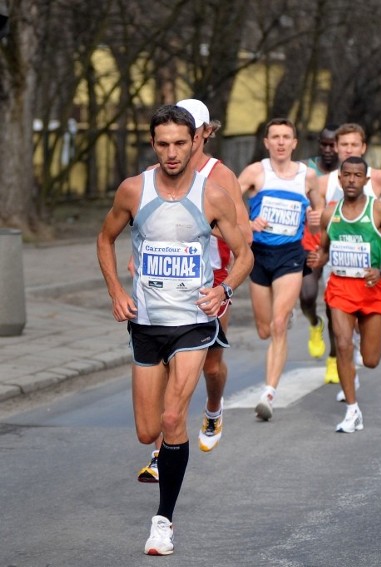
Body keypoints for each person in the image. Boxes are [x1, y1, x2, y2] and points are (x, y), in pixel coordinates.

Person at [96, 104, 252, 555]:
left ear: (195, 141)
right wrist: (114, 292)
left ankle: (162, 521)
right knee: (148, 432)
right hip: (146, 323)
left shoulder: (213, 195)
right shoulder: (132, 191)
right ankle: (163, 464)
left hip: (193, 324)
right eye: (162, 143)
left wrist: (224, 291)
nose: (171, 152)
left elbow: (244, 255)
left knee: (171, 419)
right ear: (153, 144)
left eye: (180, 143)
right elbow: (105, 238)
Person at [134, 99, 253, 484]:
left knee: (212, 366)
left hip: (213, 283)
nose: (185, 144)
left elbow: (244, 238)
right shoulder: (155, 173)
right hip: (166, 290)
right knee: (172, 369)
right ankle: (161, 451)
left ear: (203, 133)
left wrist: (203, 226)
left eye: (195, 134)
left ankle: (214, 408)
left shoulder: (222, 177)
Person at [306, 156, 381, 432]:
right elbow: (325, 248)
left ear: (365, 180)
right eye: (346, 175)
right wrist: (319, 258)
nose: (351, 180)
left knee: (371, 359)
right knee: (342, 344)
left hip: (372, 288)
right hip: (340, 287)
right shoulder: (330, 213)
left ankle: (365, 337)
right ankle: (352, 410)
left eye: (357, 175)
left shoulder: (380, 210)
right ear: (340, 179)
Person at [315, 122, 381, 386]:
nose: (349, 149)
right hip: (337, 263)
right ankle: (343, 366)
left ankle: (362, 346)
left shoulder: (378, 178)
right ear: (336, 148)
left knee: (364, 333)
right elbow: (315, 215)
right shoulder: (325, 182)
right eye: (344, 144)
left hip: (369, 269)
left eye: (354, 145)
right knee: (339, 324)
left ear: (364, 147)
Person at [238, 118, 324, 421]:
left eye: (286, 137)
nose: (281, 142)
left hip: (290, 255)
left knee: (277, 324)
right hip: (259, 256)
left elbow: (320, 206)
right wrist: (247, 222)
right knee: (264, 330)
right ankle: (283, 318)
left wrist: (316, 217)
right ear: (266, 142)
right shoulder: (255, 173)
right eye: (275, 137)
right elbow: (225, 204)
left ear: (295, 143)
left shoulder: (307, 176)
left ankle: (268, 394)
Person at [299, 125, 339, 373]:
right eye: (324, 144)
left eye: (333, 144)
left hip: (338, 247)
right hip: (310, 243)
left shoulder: (349, 171)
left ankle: (334, 359)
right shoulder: (305, 170)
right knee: (307, 296)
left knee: (335, 305)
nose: (328, 149)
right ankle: (315, 324)